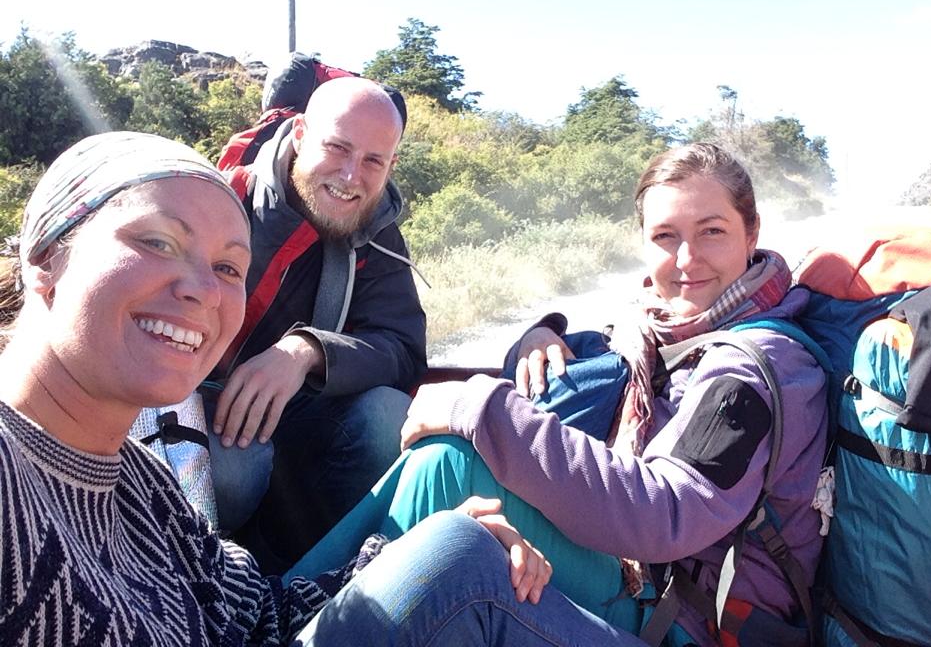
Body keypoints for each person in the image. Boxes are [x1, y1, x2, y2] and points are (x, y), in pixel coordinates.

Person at [0, 130, 650, 647]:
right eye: (158, 241)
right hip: (243, 435)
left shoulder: (142, 484)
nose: (201, 289)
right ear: (45, 258)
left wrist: (411, 548)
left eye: (228, 267)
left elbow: (255, 616)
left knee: (459, 543)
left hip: (302, 441)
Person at [290, 143, 829, 646]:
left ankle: (306, 620)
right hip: (639, 575)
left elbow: (665, 513)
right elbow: (596, 370)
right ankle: (293, 609)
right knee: (444, 464)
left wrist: (480, 407)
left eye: (712, 231)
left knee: (454, 493)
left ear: (751, 234)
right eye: (666, 236)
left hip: (689, 618)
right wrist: (539, 336)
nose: (687, 259)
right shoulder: (658, 330)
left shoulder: (756, 367)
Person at [211, 76, 428, 572]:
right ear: (301, 134)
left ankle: (305, 578)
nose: (351, 176)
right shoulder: (226, 199)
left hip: (300, 422)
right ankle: (207, 578)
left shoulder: (377, 233)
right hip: (201, 412)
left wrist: (308, 351)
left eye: (373, 161)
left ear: (391, 165)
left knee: (388, 418)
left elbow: (403, 348)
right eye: (338, 148)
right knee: (233, 470)